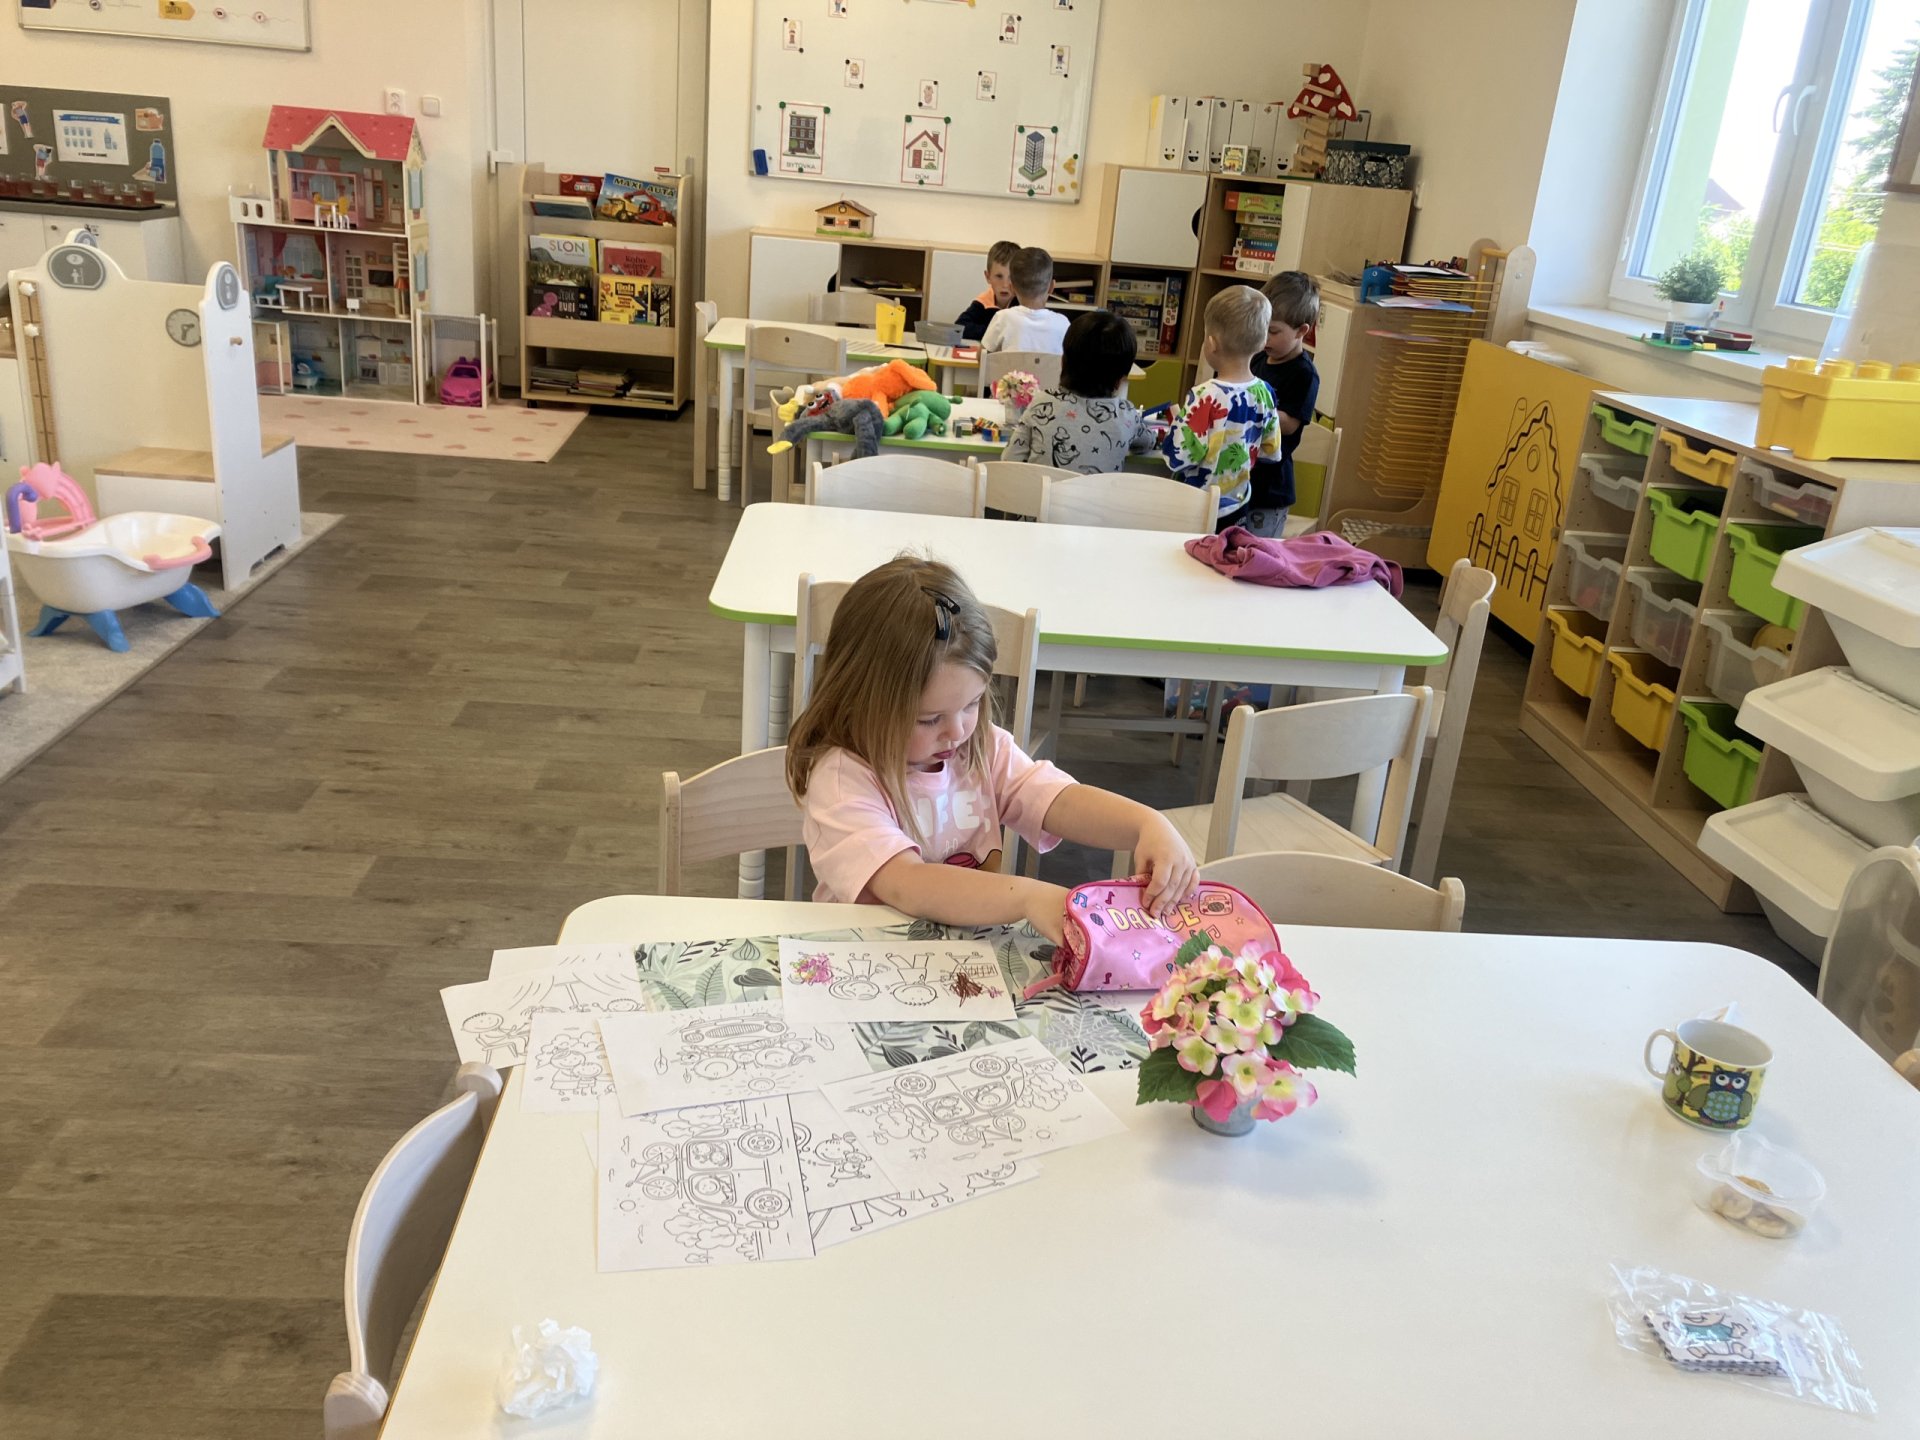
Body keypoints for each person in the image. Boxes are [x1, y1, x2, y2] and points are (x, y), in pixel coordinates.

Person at [786, 555, 1198, 943]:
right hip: (860, 959)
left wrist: (1145, 823)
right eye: (929, 719)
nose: (957, 731)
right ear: (860, 702)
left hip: (968, 956)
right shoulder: (842, 780)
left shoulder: (981, 748)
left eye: (972, 703)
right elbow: (906, 882)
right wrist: (1026, 898)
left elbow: (1058, 800)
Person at [1162, 286, 1282, 530]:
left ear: (1211, 343)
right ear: (1262, 343)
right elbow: (1271, 450)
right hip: (1238, 502)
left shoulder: (1204, 395)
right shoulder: (1265, 393)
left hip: (1197, 504)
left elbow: (1180, 457)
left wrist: (1173, 430)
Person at [1001, 310, 1157, 473]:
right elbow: (1147, 443)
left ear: (1063, 362)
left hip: (1045, 490)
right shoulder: (1127, 415)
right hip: (1099, 491)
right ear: (1120, 380)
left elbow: (1009, 459)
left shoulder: (1042, 403)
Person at [1245, 271, 1323, 535]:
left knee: (1260, 551)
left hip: (1270, 488)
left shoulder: (1304, 373)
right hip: (1241, 475)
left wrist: (1252, 407)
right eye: (1261, 326)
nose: (1264, 337)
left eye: (1273, 331)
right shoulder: (1257, 358)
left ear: (1302, 331)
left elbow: (1289, 424)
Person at [980, 246, 1069, 354]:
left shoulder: (1002, 318)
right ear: (1051, 287)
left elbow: (982, 356)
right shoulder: (1063, 324)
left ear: (1012, 287)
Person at [954, 239, 1019, 342]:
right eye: (999, 276)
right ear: (988, 277)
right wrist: (993, 333)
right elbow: (959, 327)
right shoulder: (983, 302)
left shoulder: (1024, 303)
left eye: (1011, 277)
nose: (1005, 284)